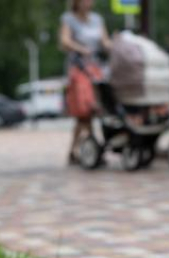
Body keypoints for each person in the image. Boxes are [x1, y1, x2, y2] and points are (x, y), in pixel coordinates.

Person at [60, 0, 112, 165]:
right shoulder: (69, 19)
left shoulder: (97, 19)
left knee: (89, 114)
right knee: (85, 110)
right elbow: (64, 41)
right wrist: (81, 49)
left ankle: (76, 151)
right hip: (80, 69)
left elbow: (105, 42)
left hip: (97, 68)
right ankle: (91, 150)